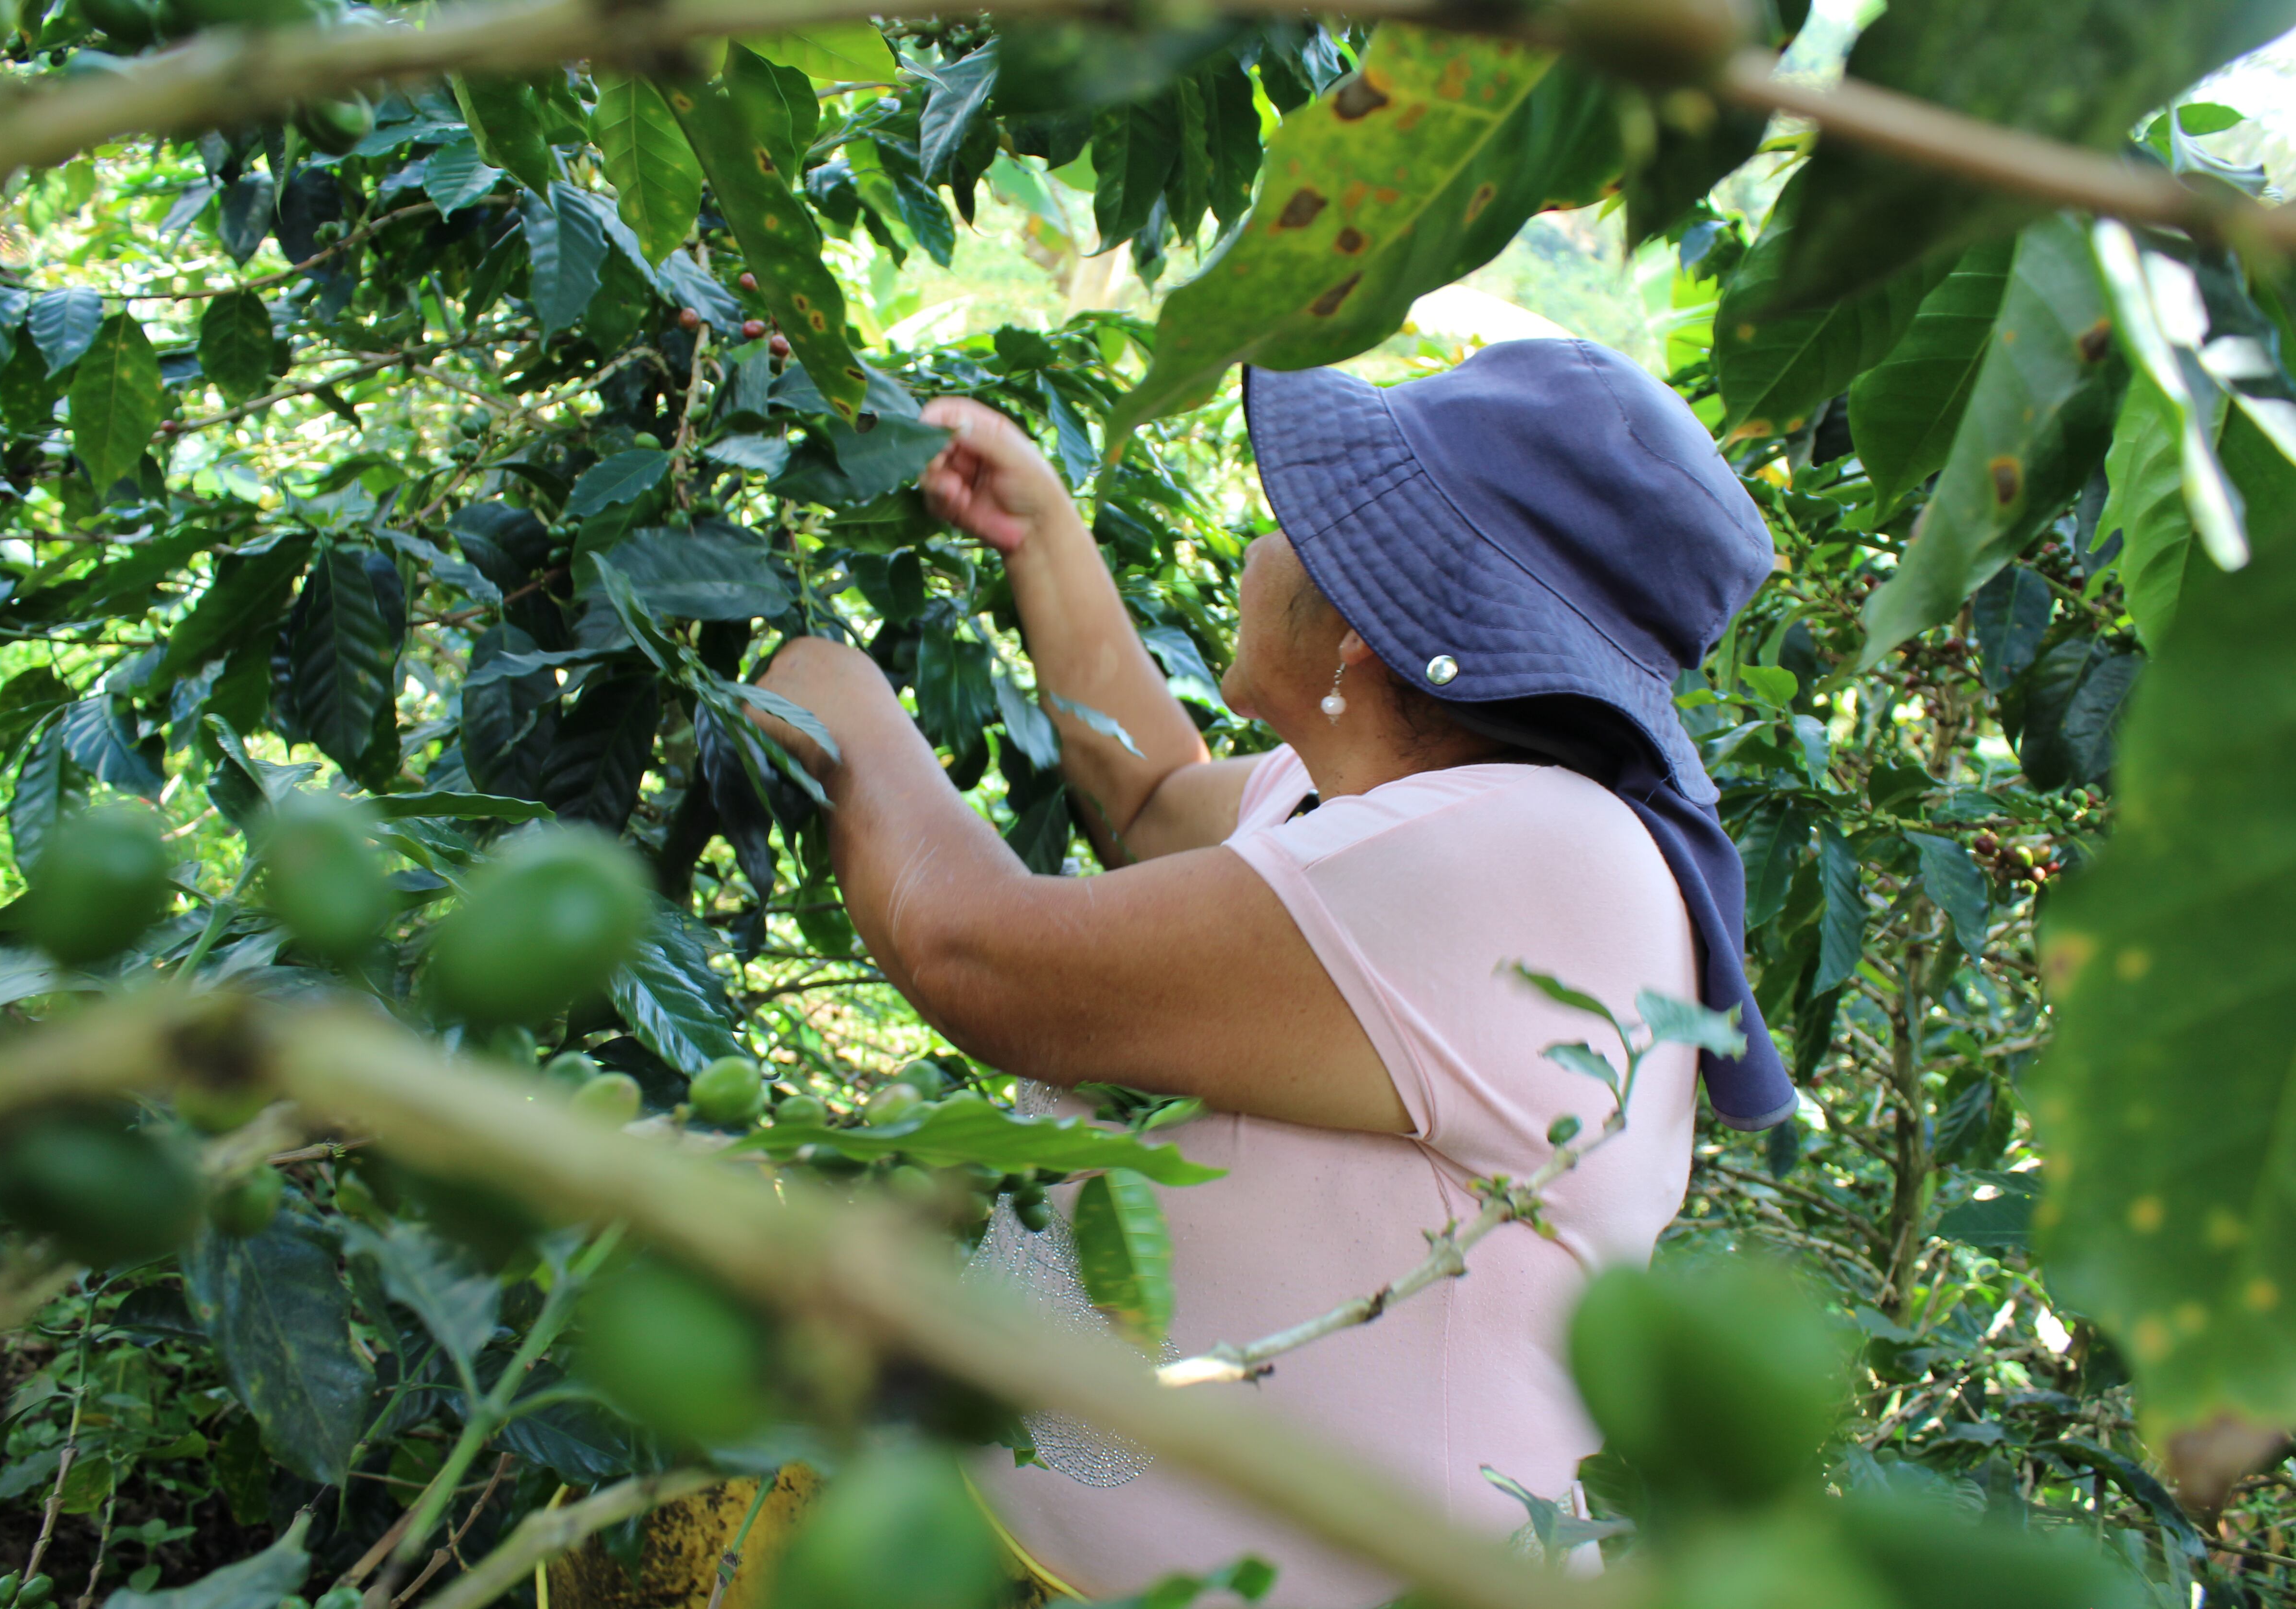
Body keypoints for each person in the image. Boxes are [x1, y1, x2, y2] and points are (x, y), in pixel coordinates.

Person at [747, 338, 1795, 1604]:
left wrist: (834, 699)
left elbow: (979, 959)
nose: (1269, 535)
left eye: (1307, 516)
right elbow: (1150, 798)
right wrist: (1041, 529)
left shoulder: (1525, 857)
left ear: (1362, 620)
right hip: (1028, 1546)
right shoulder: (1396, 797)